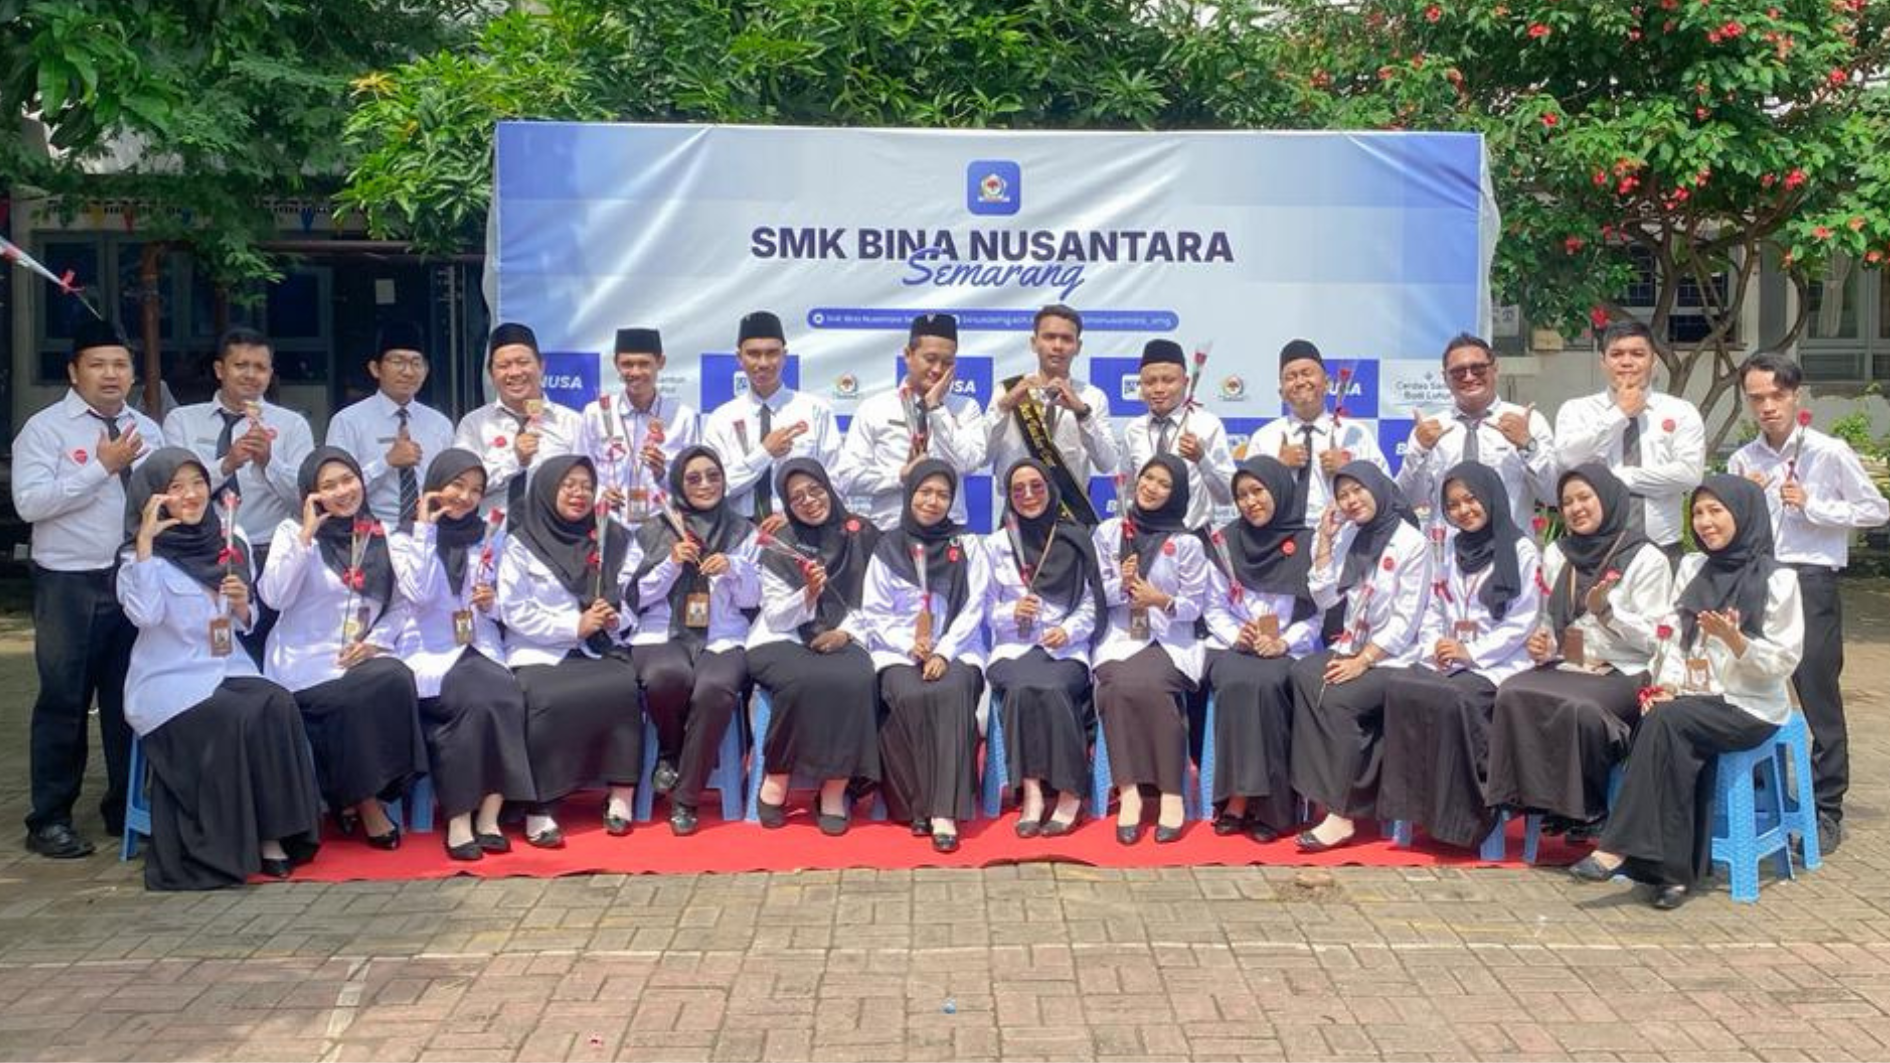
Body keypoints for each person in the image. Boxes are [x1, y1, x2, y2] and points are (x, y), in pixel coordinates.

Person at [1570, 475, 1804, 910]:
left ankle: (1622, 850)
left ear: (1744, 514)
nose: (1705, 522)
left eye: (1716, 511)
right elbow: (1675, 639)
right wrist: (1668, 685)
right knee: (1665, 721)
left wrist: (1738, 642)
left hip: (1749, 705)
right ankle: (1673, 875)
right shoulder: (1694, 567)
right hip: (1694, 698)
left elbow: (1784, 663)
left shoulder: (1779, 579)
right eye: (1697, 512)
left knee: (1669, 722)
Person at [117, 448, 322, 888]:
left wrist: (242, 603)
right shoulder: (136, 559)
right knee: (235, 715)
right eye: (176, 488)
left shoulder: (229, 536)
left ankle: (275, 834)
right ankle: (229, 843)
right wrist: (146, 545)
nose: (191, 495)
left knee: (276, 702)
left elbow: (245, 624)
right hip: (171, 679)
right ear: (153, 498)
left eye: (197, 483)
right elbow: (145, 616)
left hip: (227, 666)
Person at [11, 316, 161, 858]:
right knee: (64, 700)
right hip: (68, 582)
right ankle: (49, 818)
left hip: (130, 578)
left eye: (120, 364)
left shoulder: (148, 430)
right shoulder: (45, 429)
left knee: (127, 699)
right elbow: (29, 503)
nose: (111, 374)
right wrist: (101, 469)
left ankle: (124, 808)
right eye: (98, 364)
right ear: (74, 372)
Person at [1727, 352, 1887, 854]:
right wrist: (1747, 500)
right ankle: (1762, 796)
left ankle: (1825, 810)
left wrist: (1814, 505)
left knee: (1817, 693)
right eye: (1757, 398)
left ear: (1796, 395)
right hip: (1759, 578)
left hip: (1811, 579)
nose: (1767, 407)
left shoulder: (1827, 451)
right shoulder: (1744, 460)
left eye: (1776, 395)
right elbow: (1726, 527)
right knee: (1753, 685)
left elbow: (1875, 509)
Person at [1486, 465, 1673, 837]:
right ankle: (1531, 802)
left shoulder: (1646, 557)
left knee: (1581, 709)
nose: (1576, 508)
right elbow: (1551, 618)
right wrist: (1543, 643)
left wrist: (1608, 613)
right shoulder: (1559, 552)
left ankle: (1587, 808)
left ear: (1608, 498)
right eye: (1567, 502)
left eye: (1585, 497)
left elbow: (1657, 640)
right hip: (1570, 664)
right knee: (1512, 691)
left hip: (1625, 668)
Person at [258, 448, 425, 850]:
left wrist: (374, 643)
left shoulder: (380, 534)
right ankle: (366, 804)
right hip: (305, 663)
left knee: (396, 677)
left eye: (348, 480)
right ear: (311, 495)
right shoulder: (293, 533)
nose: (342, 491)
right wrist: (305, 537)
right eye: (329, 486)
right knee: (352, 699)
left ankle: (364, 795)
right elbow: (275, 597)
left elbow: (402, 605)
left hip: (359, 655)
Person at [1376, 463, 1540, 849]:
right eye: (1453, 505)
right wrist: (1437, 643)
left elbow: (1523, 621)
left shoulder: (1521, 550)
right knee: (1401, 687)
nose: (1464, 510)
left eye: (1471, 499)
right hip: (1449, 657)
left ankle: (1465, 818)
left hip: (1499, 662)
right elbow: (1435, 602)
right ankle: (1418, 809)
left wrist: (1471, 652)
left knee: (1457, 700)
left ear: (1491, 496)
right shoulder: (1450, 547)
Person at [388, 449, 535, 861]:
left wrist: (492, 603)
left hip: (480, 645)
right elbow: (419, 594)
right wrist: (425, 530)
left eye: (475, 490)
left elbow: (510, 603)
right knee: (472, 702)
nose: (465, 497)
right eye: (457, 485)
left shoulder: (491, 535)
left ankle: (489, 816)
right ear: (435, 485)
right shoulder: (403, 537)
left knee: (506, 696)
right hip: (430, 650)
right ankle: (458, 818)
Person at [497, 455, 643, 846]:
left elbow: (633, 595)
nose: (579, 494)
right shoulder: (521, 543)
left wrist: (614, 618)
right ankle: (542, 805)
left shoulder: (613, 536)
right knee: (547, 698)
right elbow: (514, 609)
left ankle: (621, 795)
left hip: (598, 648)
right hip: (539, 650)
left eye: (586, 486)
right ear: (547, 489)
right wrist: (572, 627)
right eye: (568, 485)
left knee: (622, 686)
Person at [1290, 462, 1430, 852]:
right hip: (1351, 645)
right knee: (1302, 675)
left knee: (1338, 698)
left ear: (1378, 488)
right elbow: (1325, 597)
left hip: (1394, 657)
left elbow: (1406, 620)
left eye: (1357, 491)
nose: (1351, 501)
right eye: (1343, 495)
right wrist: (1324, 540)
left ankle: (1342, 813)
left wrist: (1362, 662)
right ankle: (1320, 792)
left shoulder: (1411, 542)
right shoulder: (1351, 534)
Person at [856, 459, 990, 853]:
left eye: (943, 495)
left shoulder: (966, 545)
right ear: (909, 493)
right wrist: (908, 645)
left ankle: (943, 811)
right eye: (925, 492)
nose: (933, 501)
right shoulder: (887, 546)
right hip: (898, 651)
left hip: (957, 649)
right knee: (911, 696)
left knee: (949, 693)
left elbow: (975, 606)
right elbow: (874, 612)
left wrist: (944, 651)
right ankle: (915, 803)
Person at [627, 445, 761, 836]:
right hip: (661, 631)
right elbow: (633, 596)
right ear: (678, 484)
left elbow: (754, 599)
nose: (705, 485)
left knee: (714, 689)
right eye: (694, 478)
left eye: (713, 476)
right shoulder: (654, 529)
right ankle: (670, 751)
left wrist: (734, 568)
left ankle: (685, 797)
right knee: (667, 677)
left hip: (722, 634)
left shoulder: (743, 531)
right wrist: (670, 564)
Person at [746, 458, 884, 834]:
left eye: (815, 490)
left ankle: (834, 789)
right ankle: (777, 775)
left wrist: (846, 633)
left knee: (858, 679)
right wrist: (808, 593)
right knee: (802, 680)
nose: (809, 501)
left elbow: (878, 600)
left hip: (847, 633)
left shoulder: (861, 533)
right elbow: (776, 616)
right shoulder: (781, 544)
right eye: (797, 497)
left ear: (829, 487)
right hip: (784, 636)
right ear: (787, 505)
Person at [162, 327, 317, 660]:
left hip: (269, 552)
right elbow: (172, 491)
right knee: (210, 653)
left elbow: (305, 501)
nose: (250, 375)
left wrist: (269, 462)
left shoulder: (291, 425)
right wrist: (227, 464)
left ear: (270, 374)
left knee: (268, 653)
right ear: (220, 370)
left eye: (260, 367)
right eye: (241, 365)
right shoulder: (182, 420)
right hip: (204, 553)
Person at [1201, 456, 1320, 842]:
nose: (1250, 502)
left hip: (1286, 649)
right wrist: (1237, 634)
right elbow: (1213, 606)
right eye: (1242, 495)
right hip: (1237, 647)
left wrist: (1284, 641)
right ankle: (1236, 799)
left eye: (1258, 491)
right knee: (1236, 682)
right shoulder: (1226, 542)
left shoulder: (1307, 543)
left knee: (1269, 686)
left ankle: (1274, 807)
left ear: (1279, 491)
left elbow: (1317, 614)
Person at [985, 459, 1106, 837]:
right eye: (1018, 489)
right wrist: (1010, 613)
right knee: (1021, 688)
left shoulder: (1075, 537)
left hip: (1064, 649)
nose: (1028, 495)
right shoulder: (997, 543)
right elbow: (983, 608)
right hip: (1014, 647)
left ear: (1051, 489)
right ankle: (1033, 794)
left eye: (1036, 486)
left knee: (1052, 688)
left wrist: (1068, 631)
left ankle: (1070, 794)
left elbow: (1092, 602)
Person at [1091, 453, 1209, 844]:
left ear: (1177, 494)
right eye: (1147, 478)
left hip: (1168, 638)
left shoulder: (1187, 542)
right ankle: (1129, 794)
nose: (1151, 488)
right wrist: (1122, 584)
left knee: (1153, 687)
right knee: (1115, 687)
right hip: (1122, 636)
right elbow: (1097, 593)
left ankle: (1171, 793)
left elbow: (1195, 605)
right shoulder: (1110, 532)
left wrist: (1161, 600)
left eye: (1163, 483)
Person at [1554, 320, 1705, 562]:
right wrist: (1619, 415)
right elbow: (1568, 460)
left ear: (1653, 361)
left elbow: (1689, 474)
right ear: (1603, 362)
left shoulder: (1680, 411)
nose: (1627, 362)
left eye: (1637, 354)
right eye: (1616, 354)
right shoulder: (1576, 411)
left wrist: (1620, 478)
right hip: (1595, 550)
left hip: (1663, 548)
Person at [836, 312, 989, 527]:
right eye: (930, 359)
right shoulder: (875, 407)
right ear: (908, 355)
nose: (937, 370)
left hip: (947, 531)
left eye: (947, 362)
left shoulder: (966, 407)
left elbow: (967, 464)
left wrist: (935, 407)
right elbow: (848, 478)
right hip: (889, 529)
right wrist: (900, 476)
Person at [701, 311, 844, 526]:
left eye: (772, 353)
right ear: (739, 358)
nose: (763, 363)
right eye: (753, 354)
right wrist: (764, 453)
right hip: (738, 530)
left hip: (802, 526)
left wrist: (794, 516)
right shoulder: (721, 419)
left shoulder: (815, 410)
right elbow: (715, 488)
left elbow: (836, 479)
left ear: (784, 356)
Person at [1395, 333, 1556, 523]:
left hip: (1509, 540)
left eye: (1478, 369)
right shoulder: (1430, 430)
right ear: (1445, 378)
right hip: (1449, 540)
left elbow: (1552, 495)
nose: (1469, 377)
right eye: (1458, 372)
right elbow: (1404, 502)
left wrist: (1528, 446)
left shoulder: (1527, 422)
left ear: (1495, 370)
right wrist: (1419, 452)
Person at [985, 305, 1121, 527]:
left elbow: (1108, 463)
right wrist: (1004, 407)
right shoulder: (1006, 390)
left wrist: (1082, 413)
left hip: (1072, 512)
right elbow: (983, 456)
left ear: (1078, 347)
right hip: (1019, 510)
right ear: (1034, 343)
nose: (1057, 346)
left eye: (1066, 339)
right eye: (1049, 337)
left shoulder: (1092, 397)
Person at [325, 321, 457, 529]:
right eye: (398, 361)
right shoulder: (348, 421)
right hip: (370, 534)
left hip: (429, 533)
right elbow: (334, 491)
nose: (408, 372)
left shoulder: (440, 425)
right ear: (375, 368)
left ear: (425, 371)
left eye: (416, 363)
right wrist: (387, 462)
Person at [1246, 340, 1389, 530]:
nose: (1300, 382)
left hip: (1344, 539)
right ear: (1281, 392)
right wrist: (1277, 467)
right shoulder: (1264, 438)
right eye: (1291, 377)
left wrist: (1349, 470)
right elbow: (1247, 498)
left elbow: (1386, 492)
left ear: (1327, 384)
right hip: (1281, 540)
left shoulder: (1355, 434)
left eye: (1307, 373)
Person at [578, 327, 702, 528]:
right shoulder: (596, 413)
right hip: (609, 522)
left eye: (644, 364)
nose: (635, 372)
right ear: (616, 364)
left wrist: (662, 473)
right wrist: (600, 494)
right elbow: (580, 470)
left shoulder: (682, 416)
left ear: (660, 362)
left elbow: (694, 479)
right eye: (627, 364)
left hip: (662, 526)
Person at [455, 322, 585, 512]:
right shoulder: (473, 424)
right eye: (503, 366)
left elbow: (587, 486)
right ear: (491, 373)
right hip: (490, 530)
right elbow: (461, 489)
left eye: (523, 363)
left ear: (541, 367)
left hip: (551, 530)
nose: (515, 372)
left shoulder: (571, 423)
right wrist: (515, 459)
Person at [1120, 339, 1236, 531]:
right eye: (1150, 382)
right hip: (1144, 538)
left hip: (1193, 537)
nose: (1158, 389)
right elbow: (1126, 492)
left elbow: (1227, 496)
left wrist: (1202, 459)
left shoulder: (1207, 425)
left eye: (1168, 381)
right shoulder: (1133, 430)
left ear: (1186, 382)